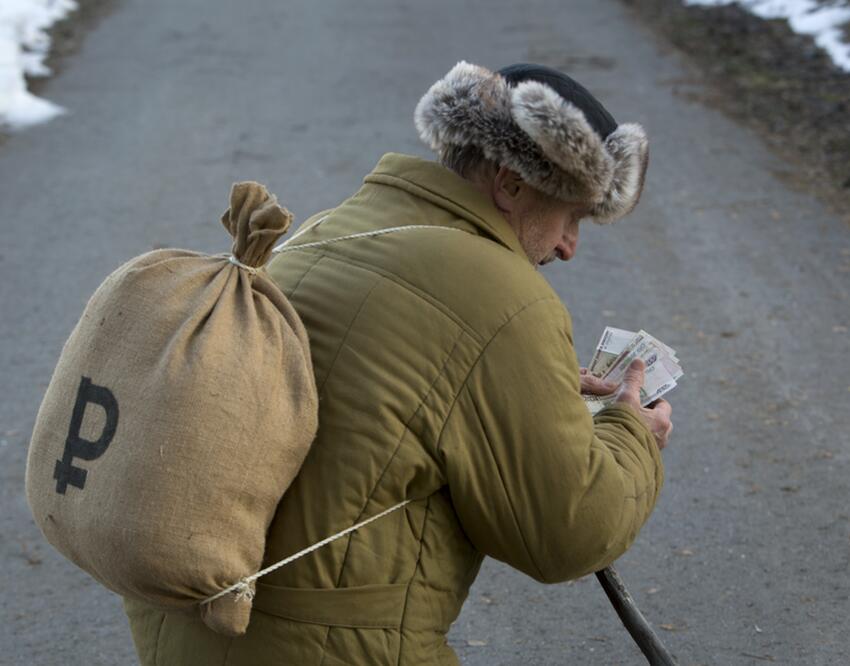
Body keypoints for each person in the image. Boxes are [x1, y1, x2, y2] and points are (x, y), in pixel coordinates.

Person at [124, 61, 672, 665]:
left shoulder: (330, 228)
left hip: (188, 636)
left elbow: (394, 387)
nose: (569, 247)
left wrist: (530, 391)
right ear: (512, 185)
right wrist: (630, 434)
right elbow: (569, 534)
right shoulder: (501, 295)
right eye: (570, 217)